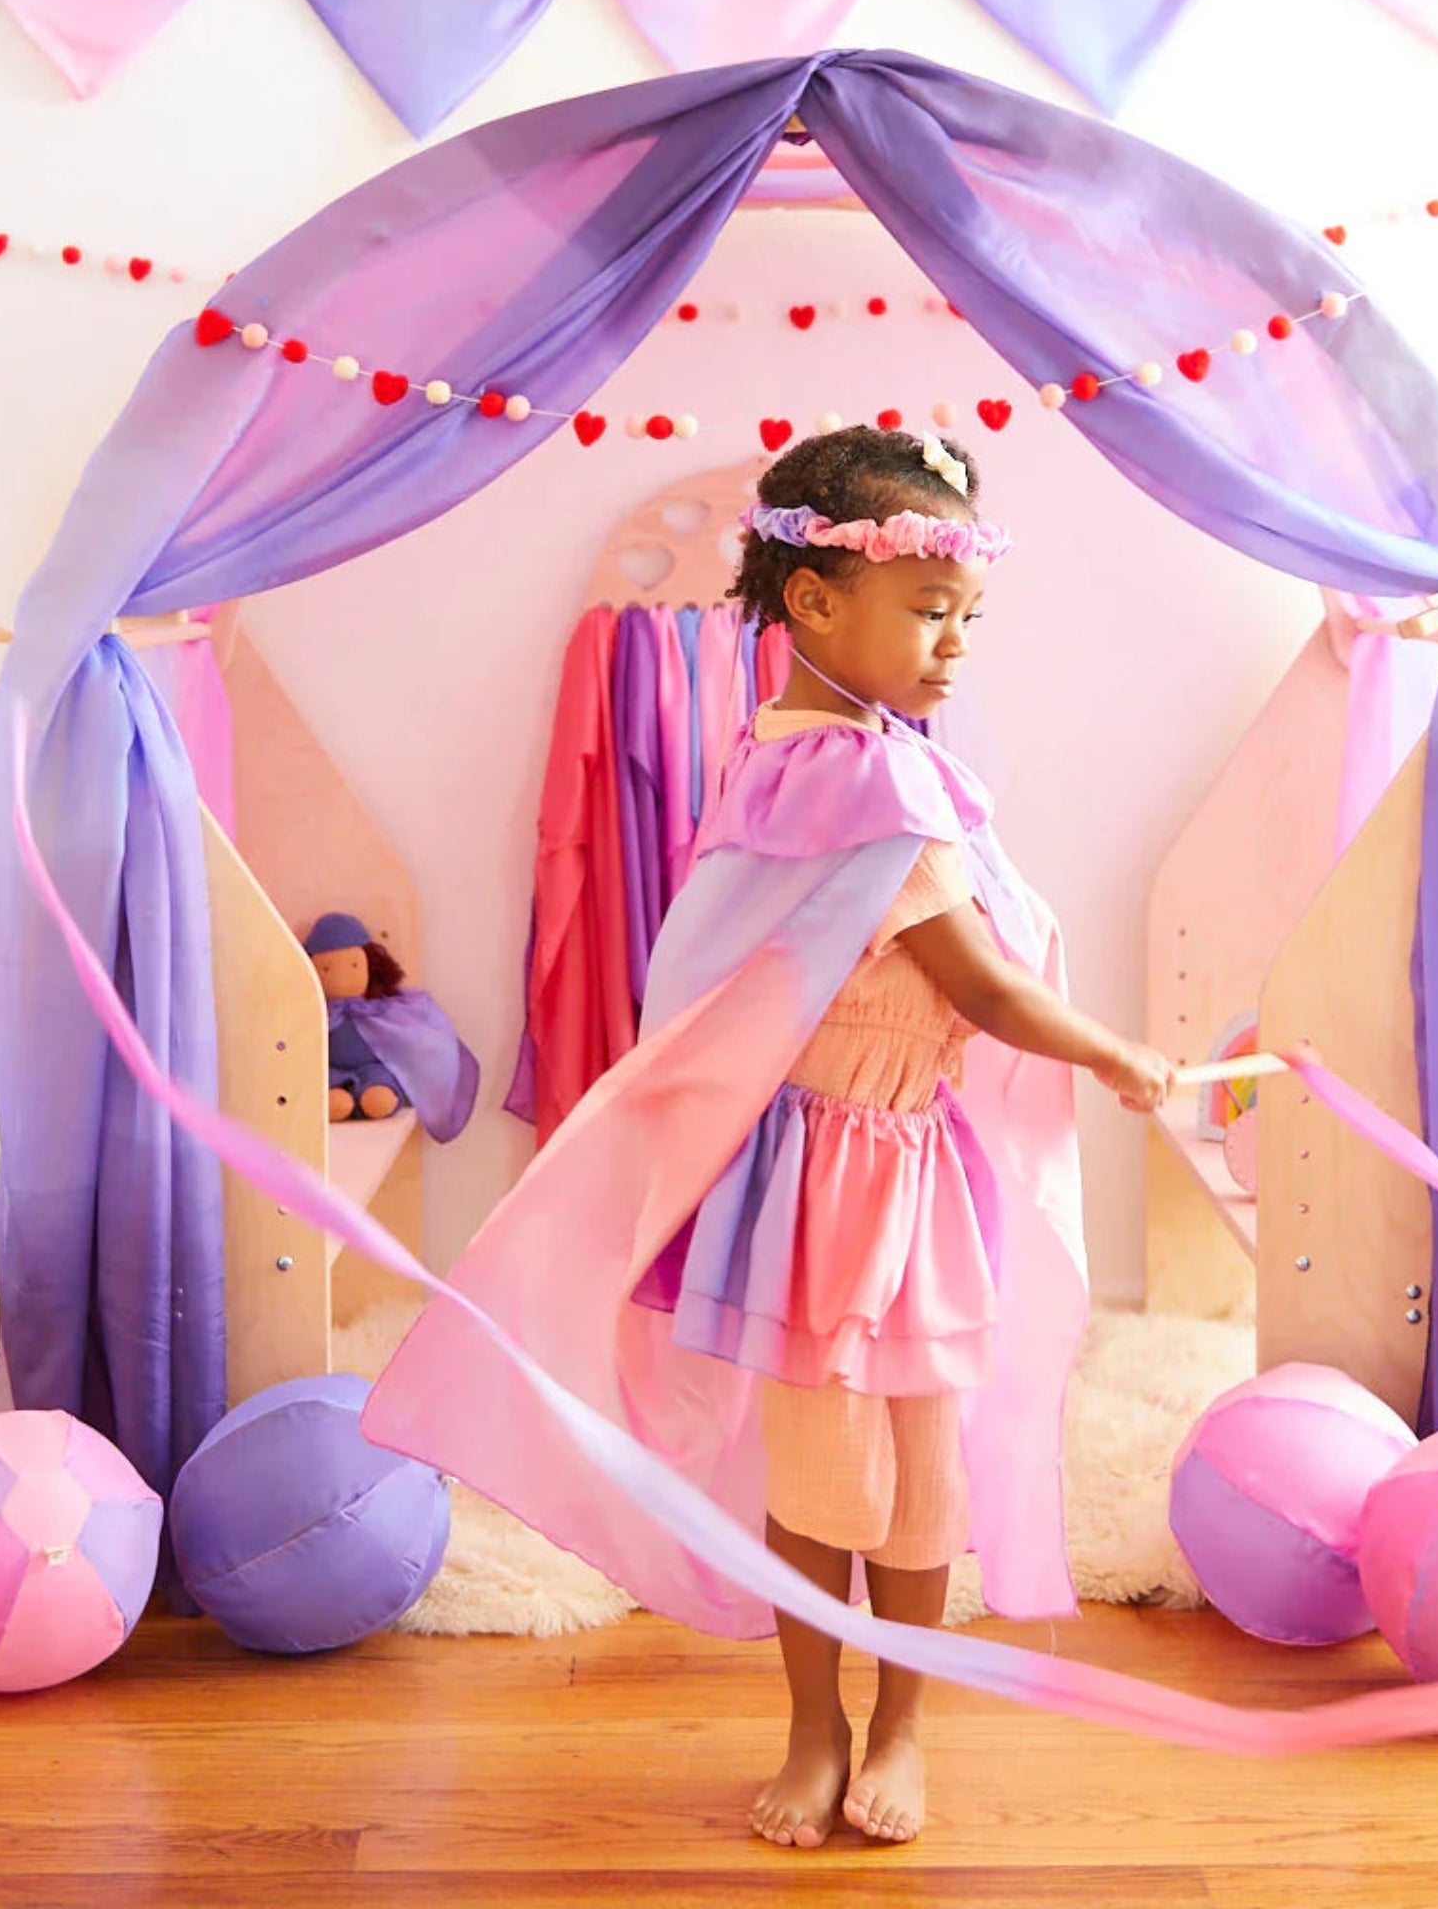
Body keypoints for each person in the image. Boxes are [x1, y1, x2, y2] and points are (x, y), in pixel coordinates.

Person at [360, 423, 1177, 1855]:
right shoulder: (841, 783)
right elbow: (983, 988)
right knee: (819, 1484)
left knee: (917, 1485)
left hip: (906, 1183)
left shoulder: (856, 769)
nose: (956, 647)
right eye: (931, 613)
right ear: (813, 603)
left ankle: (903, 1724)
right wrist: (1113, 1050)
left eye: (968, 617)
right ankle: (818, 1723)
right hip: (815, 1185)